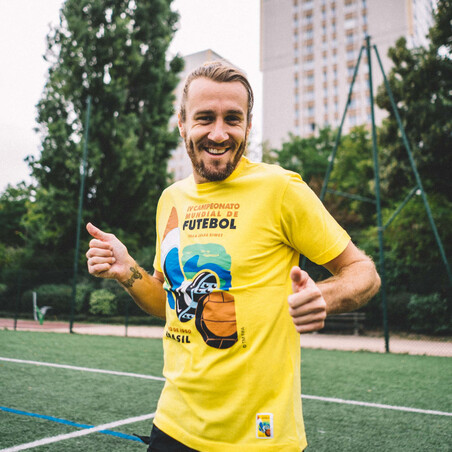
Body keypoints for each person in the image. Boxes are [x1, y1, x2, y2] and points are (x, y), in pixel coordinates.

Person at [86, 61, 381, 452]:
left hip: (261, 437)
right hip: (173, 425)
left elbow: (363, 272)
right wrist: (128, 272)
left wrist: (323, 297)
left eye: (233, 119)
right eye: (205, 118)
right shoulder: (171, 200)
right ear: (181, 122)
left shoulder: (281, 189)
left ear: (249, 124)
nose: (219, 133)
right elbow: (168, 304)